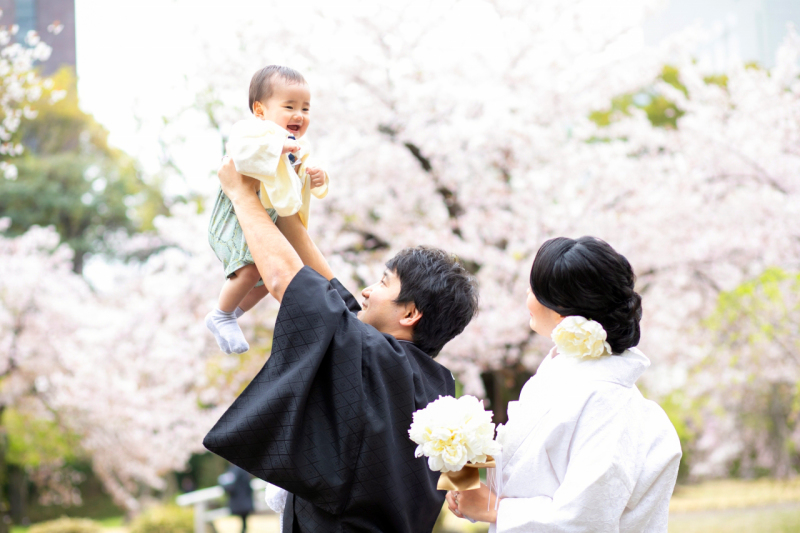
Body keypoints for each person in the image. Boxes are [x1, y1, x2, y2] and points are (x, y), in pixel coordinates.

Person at [203, 157, 479, 532]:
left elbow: (289, 280)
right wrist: (284, 197)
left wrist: (241, 195)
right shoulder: (436, 386)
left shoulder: (370, 352)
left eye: (383, 283)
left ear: (410, 313)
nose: (366, 291)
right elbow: (329, 290)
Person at [445, 236, 681, 532]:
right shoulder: (559, 378)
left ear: (562, 309)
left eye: (533, 289)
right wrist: (464, 467)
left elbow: (587, 518)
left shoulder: (607, 400)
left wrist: (496, 509)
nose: (526, 298)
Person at [206, 65, 330, 355]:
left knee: (268, 281)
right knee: (250, 272)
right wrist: (277, 148)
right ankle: (221, 313)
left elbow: (290, 185)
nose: (299, 115)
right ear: (260, 110)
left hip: (262, 222)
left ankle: (232, 314)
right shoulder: (252, 133)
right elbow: (242, 155)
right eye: (289, 106)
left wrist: (314, 177)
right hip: (234, 222)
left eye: (305, 108)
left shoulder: (296, 146)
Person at [218, 465, 254, 533]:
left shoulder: (235, 470)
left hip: (239, 503)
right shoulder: (243, 470)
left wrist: (222, 484)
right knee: (243, 525)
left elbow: (230, 486)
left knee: (242, 525)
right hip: (244, 503)